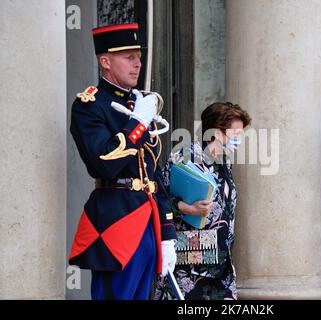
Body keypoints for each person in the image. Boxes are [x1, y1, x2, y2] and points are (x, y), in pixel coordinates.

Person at [68, 23, 177, 300]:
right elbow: (102, 162)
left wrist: (166, 233)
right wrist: (138, 124)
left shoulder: (138, 103)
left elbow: (152, 174)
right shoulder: (90, 105)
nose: (138, 64)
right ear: (105, 61)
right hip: (115, 222)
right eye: (128, 57)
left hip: (147, 219)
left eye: (139, 56)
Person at [154, 102, 251, 300]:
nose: (239, 140)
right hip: (191, 265)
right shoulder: (186, 155)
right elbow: (159, 196)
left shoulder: (224, 160)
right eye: (235, 134)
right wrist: (186, 208)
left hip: (220, 264)